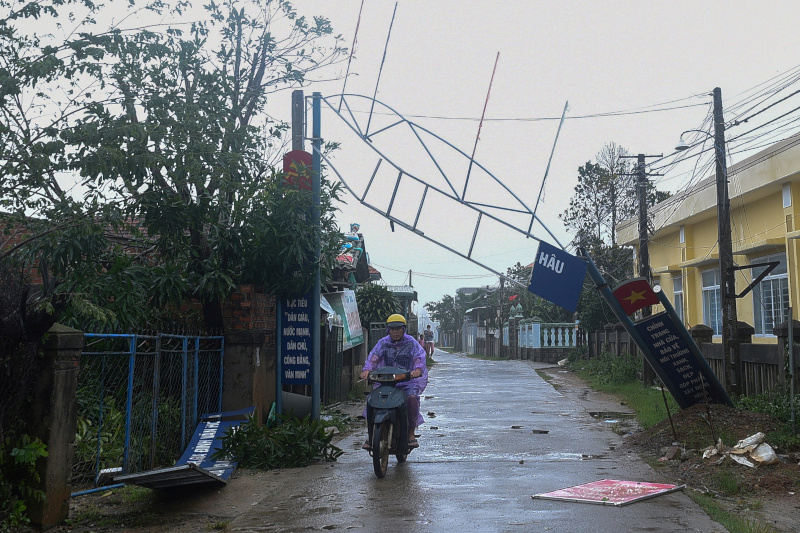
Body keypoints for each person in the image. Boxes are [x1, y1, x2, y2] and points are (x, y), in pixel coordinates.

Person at [360, 313, 428, 449]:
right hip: (385, 381)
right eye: (392, 329)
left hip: (407, 381)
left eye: (398, 329)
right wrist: (367, 370)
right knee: (372, 401)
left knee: (412, 399)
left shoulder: (411, 343)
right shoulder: (383, 343)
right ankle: (371, 434)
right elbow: (373, 357)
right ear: (388, 330)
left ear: (404, 329)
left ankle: (410, 433)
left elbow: (418, 358)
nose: (395, 332)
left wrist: (417, 370)